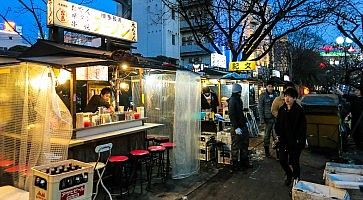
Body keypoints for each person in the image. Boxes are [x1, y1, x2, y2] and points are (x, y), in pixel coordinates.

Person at [275, 88, 306, 186]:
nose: (287, 98)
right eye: (285, 96)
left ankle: (296, 183)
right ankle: (289, 174)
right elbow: (278, 124)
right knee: (282, 159)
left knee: (294, 162)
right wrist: (278, 135)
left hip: (295, 141)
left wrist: (300, 140)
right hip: (283, 140)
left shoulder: (299, 110)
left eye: (290, 96)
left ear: (295, 98)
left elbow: (303, 127)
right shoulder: (282, 109)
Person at [228, 83, 251, 171]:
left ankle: (243, 163)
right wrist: (236, 127)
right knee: (236, 146)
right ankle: (235, 165)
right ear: (238, 91)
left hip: (242, 126)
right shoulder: (233, 100)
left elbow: (239, 113)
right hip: (237, 128)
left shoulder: (237, 99)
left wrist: (245, 122)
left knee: (244, 145)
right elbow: (232, 114)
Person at [258, 80, 278, 158]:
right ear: (266, 87)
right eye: (269, 86)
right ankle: (267, 152)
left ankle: (278, 153)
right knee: (266, 136)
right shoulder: (262, 95)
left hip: (275, 119)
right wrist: (262, 120)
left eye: (272, 87)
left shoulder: (276, 95)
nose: (270, 88)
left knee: (276, 136)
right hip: (267, 119)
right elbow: (260, 108)